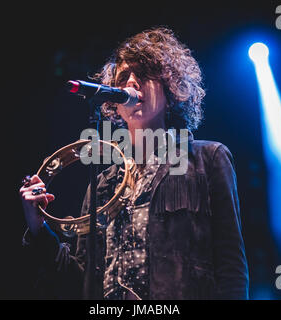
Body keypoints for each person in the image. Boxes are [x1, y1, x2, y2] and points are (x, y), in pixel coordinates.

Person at [19, 27, 249, 300]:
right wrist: (38, 227)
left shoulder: (207, 159)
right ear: (113, 104)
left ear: (171, 88)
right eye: (122, 77)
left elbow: (230, 265)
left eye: (143, 73)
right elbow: (79, 282)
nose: (131, 82)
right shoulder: (104, 184)